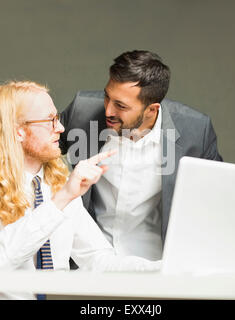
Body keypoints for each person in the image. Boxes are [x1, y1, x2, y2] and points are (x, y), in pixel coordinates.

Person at [0, 80, 161, 300]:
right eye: (50, 120)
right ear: (18, 131)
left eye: (57, 119)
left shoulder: (58, 185)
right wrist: (60, 200)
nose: (60, 128)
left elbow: (98, 260)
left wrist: (162, 269)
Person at [60, 50, 223, 261]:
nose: (108, 110)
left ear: (152, 110)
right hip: (86, 264)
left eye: (121, 105)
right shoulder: (82, 111)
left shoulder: (195, 131)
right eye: (107, 96)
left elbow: (216, 202)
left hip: (155, 268)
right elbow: (34, 148)